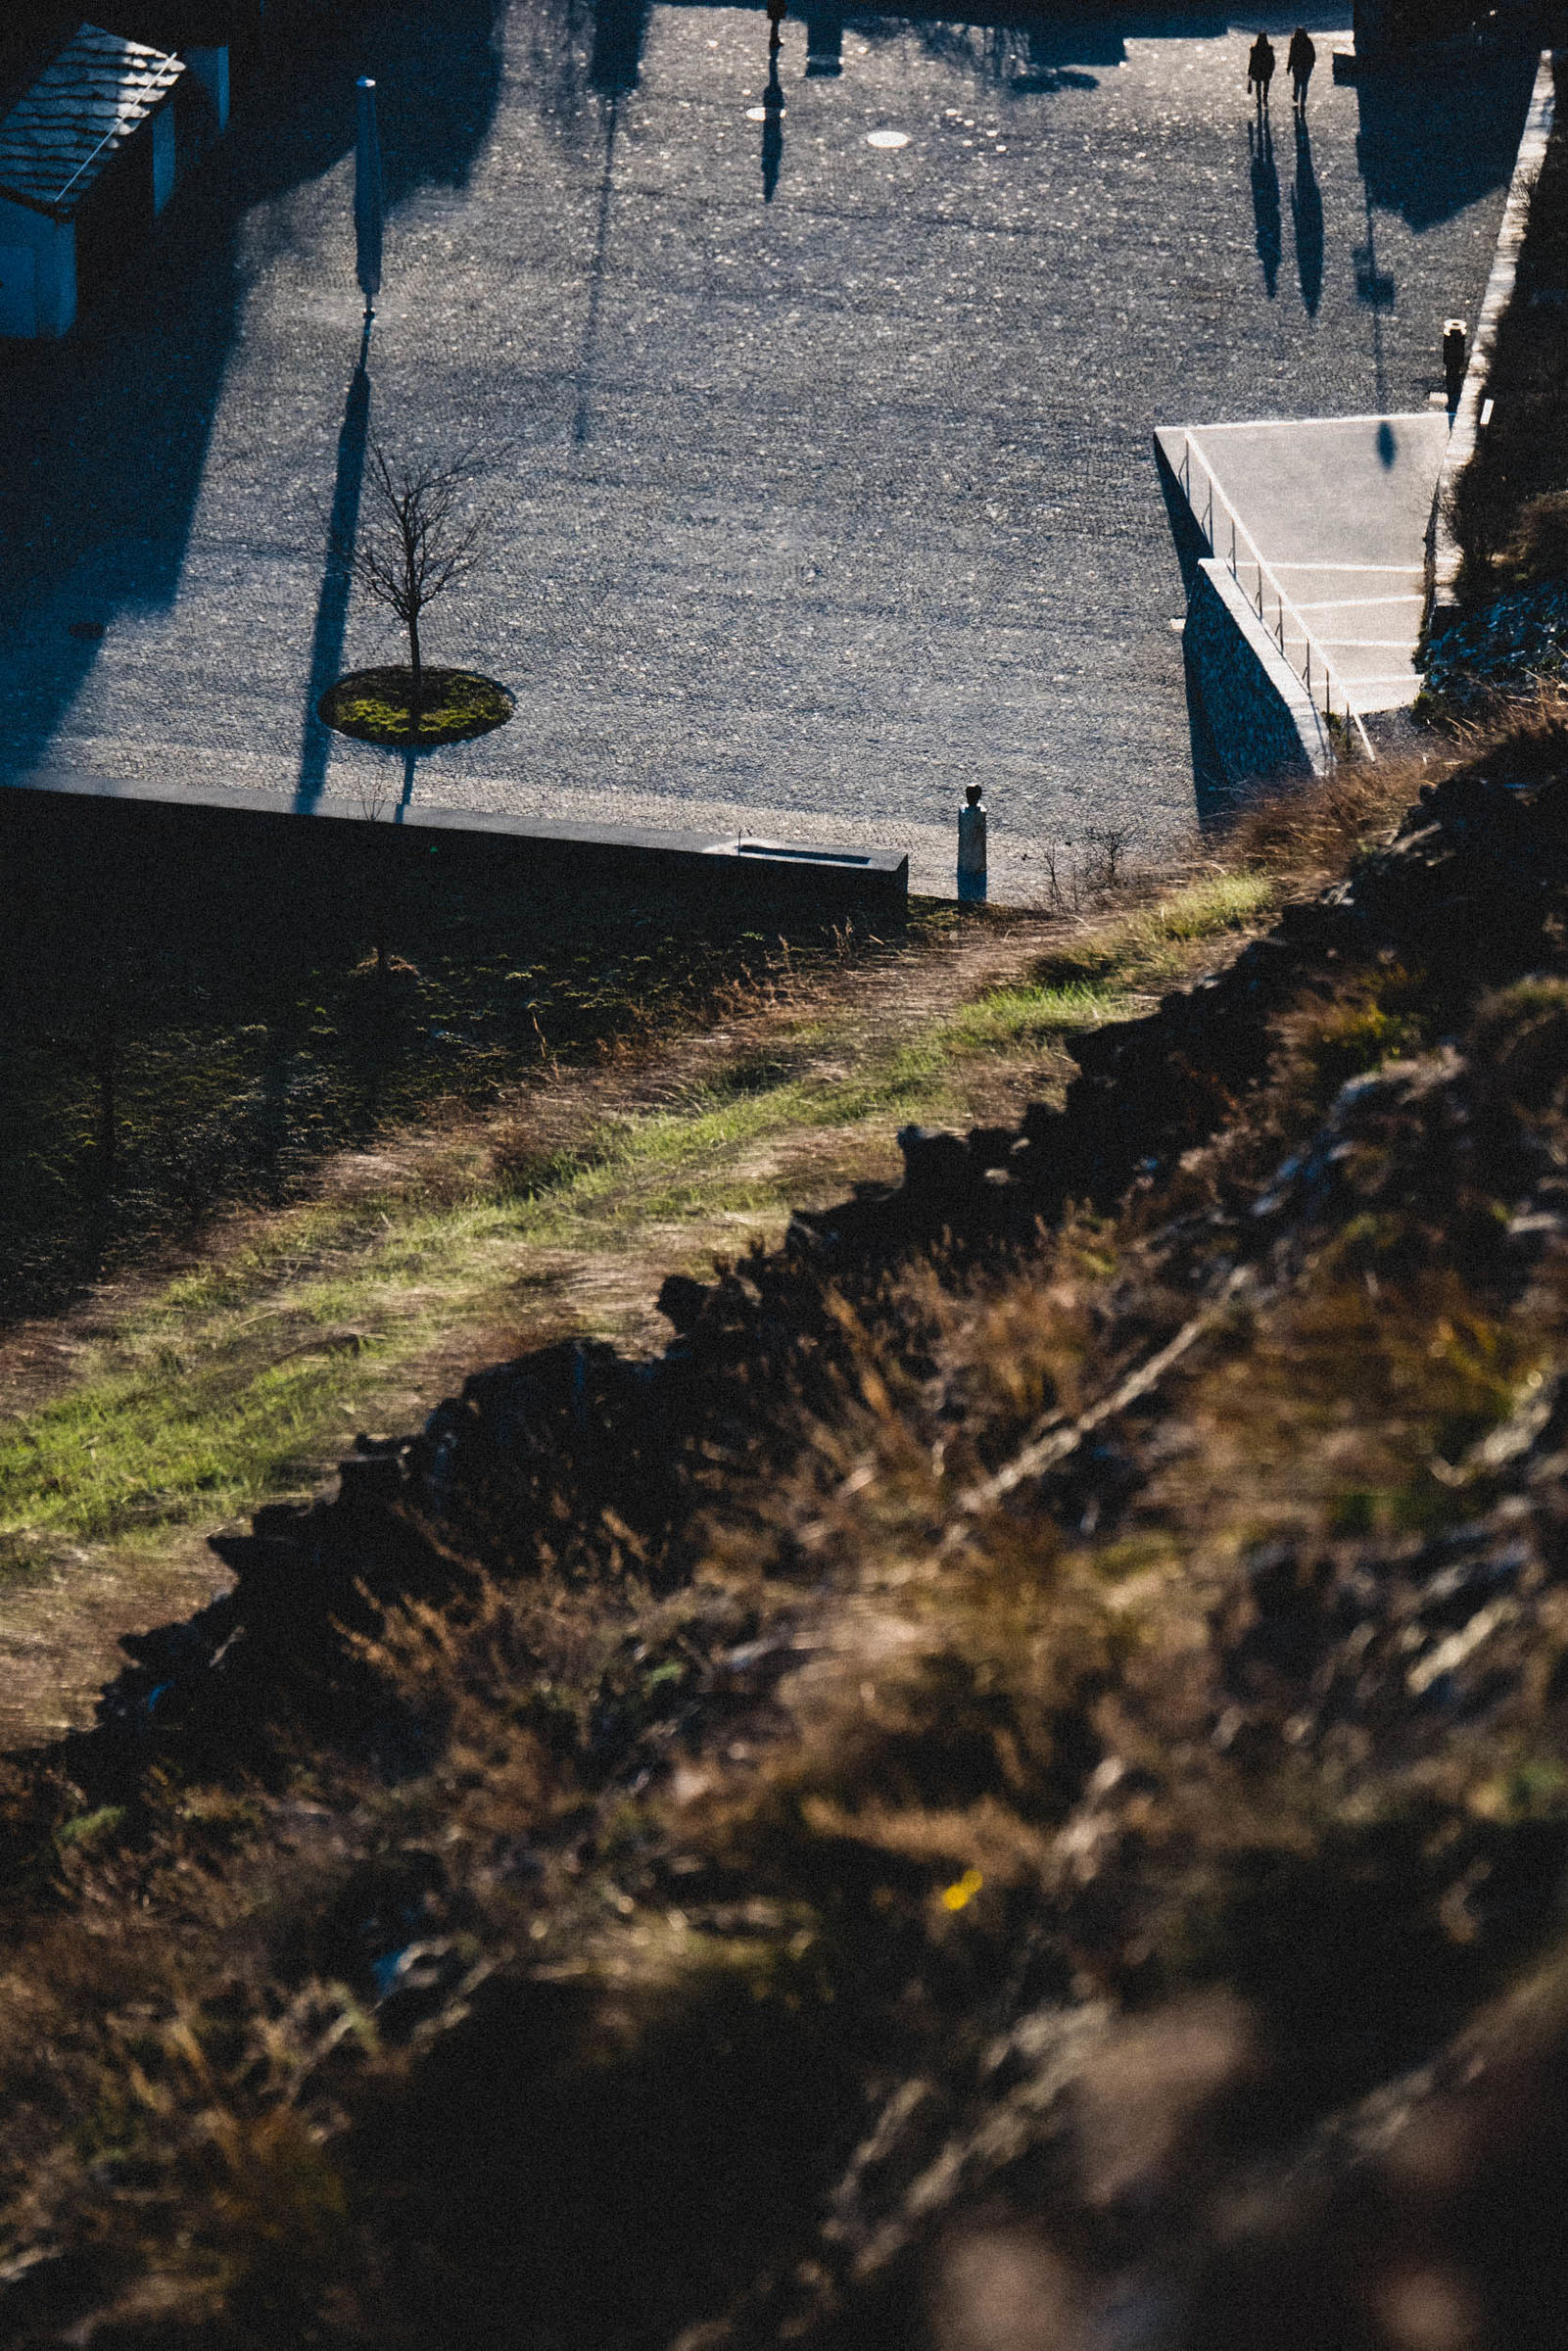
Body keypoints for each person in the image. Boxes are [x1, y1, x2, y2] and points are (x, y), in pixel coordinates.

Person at [1287, 25, 1315, 110]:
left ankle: (1296, 97)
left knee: (1297, 82)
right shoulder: (1308, 42)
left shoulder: (1294, 42)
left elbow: (1291, 55)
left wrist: (1289, 66)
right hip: (1307, 66)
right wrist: (1312, 63)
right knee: (1304, 84)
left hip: (1297, 65)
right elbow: (1313, 54)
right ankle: (1302, 102)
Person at [1247, 31, 1275, 111]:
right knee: (1266, 84)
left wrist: (1250, 71)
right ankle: (1265, 97)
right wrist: (1271, 69)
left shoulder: (1255, 49)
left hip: (1257, 69)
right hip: (1266, 70)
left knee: (1258, 85)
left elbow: (1252, 61)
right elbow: (1272, 60)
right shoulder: (1269, 49)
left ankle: (1259, 99)